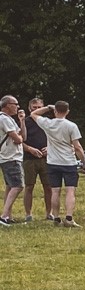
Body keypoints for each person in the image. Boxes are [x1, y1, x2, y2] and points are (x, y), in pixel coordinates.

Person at [30, 101, 85, 227]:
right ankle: (69, 217)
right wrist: (84, 163)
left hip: (52, 162)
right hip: (68, 162)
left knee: (55, 191)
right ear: (67, 111)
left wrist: (47, 108)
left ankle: (56, 217)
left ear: (55, 111)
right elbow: (77, 147)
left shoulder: (48, 123)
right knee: (70, 191)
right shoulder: (71, 126)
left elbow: (33, 113)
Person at [20, 97, 51, 220]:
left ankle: (49, 213)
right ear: (29, 108)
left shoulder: (48, 122)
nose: (37, 110)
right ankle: (28, 214)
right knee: (29, 186)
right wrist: (29, 149)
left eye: (39, 108)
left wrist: (49, 148)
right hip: (29, 159)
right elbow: (19, 141)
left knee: (48, 187)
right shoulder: (24, 122)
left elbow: (56, 138)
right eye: (34, 108)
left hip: (47, 158)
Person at [0, 95, 24, 224]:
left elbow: (23, 136)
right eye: (16, 104)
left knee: (10, 186)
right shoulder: (5, 119)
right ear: (8, 105)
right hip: (11, 157)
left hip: (7, 156)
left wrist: (22, 121)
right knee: (17, 185)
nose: (18, 107)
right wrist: (18, 137)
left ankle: (7, 216)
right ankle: (4, 216)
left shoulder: (9, 119)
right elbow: (18, 138)